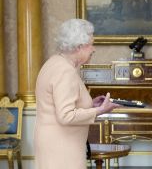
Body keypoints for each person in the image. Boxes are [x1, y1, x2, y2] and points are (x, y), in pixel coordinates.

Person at [34, 19, 119, 169]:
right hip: (62, 147)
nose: (93, 49)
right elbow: (66, 115)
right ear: (79, 47)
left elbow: (59, 104)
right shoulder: (65, 71)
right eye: (91, 44)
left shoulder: (54, 63)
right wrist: (99, 110)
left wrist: (90, 104)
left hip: (53, 143)